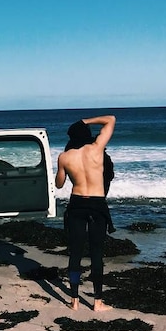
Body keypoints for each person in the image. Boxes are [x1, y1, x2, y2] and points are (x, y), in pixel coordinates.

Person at [55, 115, 116, 311]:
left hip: (77, 204)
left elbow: (59, 183)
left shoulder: (64, 157)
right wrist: (85, 121)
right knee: (96, 254)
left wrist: (65, 170)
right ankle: (98, 302)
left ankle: (74, 300)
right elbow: (111, 120)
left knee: (76, 254)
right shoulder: (96, 148)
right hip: (97, 205)